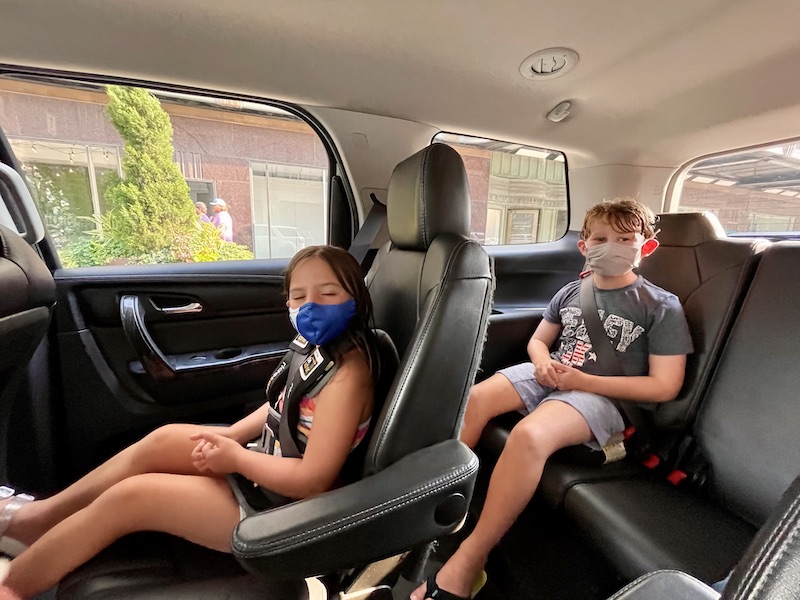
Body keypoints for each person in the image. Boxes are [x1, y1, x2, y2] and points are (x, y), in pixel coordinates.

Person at [0, 245, 380, 599]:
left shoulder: (347, 378)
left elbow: (313, 479)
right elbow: (284, 404)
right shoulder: (317, 349)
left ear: (356, 301)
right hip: (271, 466)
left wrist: (236, 459)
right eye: (299, 297)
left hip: (286, 508)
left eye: (328, 294)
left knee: (133, 497)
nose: (311, 306)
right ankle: (39, 520)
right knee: (164, 440)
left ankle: (14, 587)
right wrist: (232, 435)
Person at [411, 198, 694, 600]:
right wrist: (542, 362)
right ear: (584, 246)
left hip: (605, 394)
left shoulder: (660, 306)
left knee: (529, 435)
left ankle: (471, 559)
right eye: (600, 238)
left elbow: (664, 387)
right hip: (555, 373)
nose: (610, 246)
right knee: (473, 399)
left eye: (624, 239)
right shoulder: (571, 291)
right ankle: (428, 509)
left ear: (645, 248)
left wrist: (584, 381)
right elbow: (539, 341)